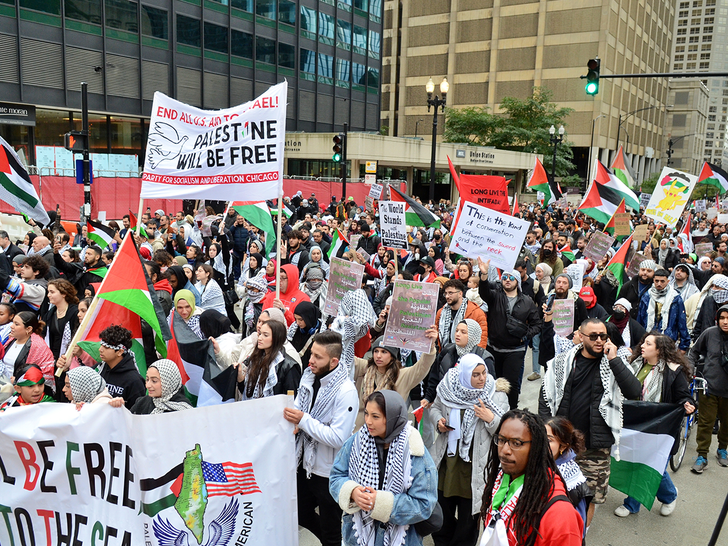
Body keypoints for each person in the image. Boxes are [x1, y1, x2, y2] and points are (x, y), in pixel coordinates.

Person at [539, 318, 641, 527]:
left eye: (603, 336)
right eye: (593, 336)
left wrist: (614, 360)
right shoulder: (563, 362)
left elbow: (634, 391)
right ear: (581, 336)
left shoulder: (615, 361)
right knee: (555, 492)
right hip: (563, 443)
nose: (599, 341)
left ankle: (579, 536)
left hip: (595, 447)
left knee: (588, 497)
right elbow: (546, 396)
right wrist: (546, 430)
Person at [329, 390, 438, 546]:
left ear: (393, 417)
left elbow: (424, 504)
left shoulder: (414, 450)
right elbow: (336, 477)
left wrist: (380, 503)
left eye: (376, 416)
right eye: (366, 414)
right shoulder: (356, 442)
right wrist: (352, 492)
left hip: (402, 540)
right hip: (357, 538)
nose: (368, 421)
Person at [283, 330, 359, 546]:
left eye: (318, 357)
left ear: (333, 361)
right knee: (300, 513)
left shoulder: (346, 391)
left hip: (328, 472)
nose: (311, 360)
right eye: (312, 354)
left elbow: (338, 437)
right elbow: (299, 408)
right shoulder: (309, 377)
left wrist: (303, 420)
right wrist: (295, 421)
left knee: (331, 531)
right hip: (304, 464)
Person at [430, 354, 510, 546]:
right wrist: (439, 422)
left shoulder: (496, 395)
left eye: (484, 373)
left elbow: (508, 431)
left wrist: (490, 418)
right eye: (475, 375)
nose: (482, 378)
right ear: (464, 375)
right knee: (442, 509)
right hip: (447, 462)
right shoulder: (449, 388)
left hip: (475, 466)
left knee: (469, 517)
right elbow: (434, 408)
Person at [613, 332, 693, 516]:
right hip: (635, 425)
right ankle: (648, 500)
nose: (642, 346)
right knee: (637, 463)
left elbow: (683, 395)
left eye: (648, 344)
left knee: (651, 467)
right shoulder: (634, 364)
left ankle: (665, 497)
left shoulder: (673, 371)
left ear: (659, 350)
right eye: (643, 342)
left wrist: (688, 404)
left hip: (660, 429)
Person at [480, 409, 584, 546]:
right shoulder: (498, 483)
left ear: (536, 447)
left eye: (516, 443)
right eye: (501, 440)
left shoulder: (559, 514)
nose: (505, 450)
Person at [477, 258, 541, 409]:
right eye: (504, 277)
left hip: (514, 351)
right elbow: (483, 291)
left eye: (511, 278)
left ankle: (512, 412)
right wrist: (484, 274)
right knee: (493, 384)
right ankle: (494, 411)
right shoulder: (495, 296)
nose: (507, 280)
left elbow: (537, 324)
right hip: (494, 349)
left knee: (511, 386)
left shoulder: (527, 301)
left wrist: (525, 337)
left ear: (517, 281)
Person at [352, 329, 437, 429]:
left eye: (384, 352)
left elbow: (423, 366)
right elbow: (347, 357)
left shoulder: (402, 375)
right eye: (376, 351)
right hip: (361, 430)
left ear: (392, 356)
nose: (378, 356)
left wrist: (430, 346)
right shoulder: (364, 368)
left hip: (389, 431)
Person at [689, 304, 728, 473]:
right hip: (709, 387)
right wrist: (690, 369)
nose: (725, 322)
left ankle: (722, 449)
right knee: (705, 423)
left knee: (726, 424)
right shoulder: (710, 333)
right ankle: (702, 455)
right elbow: (693, 352)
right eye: (722, 318)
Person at [423, 319, 495, 408]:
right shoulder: (448, 351)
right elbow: (435, 376)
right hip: (445, 404)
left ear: (473, 336)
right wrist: (428, 398)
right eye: (456, 330)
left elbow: (489, 387)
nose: (457, 334)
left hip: (472, 407)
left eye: (463, 332)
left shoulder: (484, 358)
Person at [544, 416, 592, 528]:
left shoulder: (572, 483)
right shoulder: (531, 464)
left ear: (563, 446)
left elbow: (575, 525)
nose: (542, 443)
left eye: (549, 440)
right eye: (539, 438)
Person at [236, 319, 301, 399]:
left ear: (277, 337)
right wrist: (240, 379)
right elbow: (247, 392)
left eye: (265, 335)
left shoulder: (288, 365)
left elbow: (291, 400)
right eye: (259, 334)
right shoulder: (255, 358)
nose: (260, 338)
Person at [110, 359, 193, 414]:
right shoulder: (142, 403)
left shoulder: (184, 411)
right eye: (147, 379)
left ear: (169, 382)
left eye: (154, 381)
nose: (148, 385)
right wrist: (120, 408)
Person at [637, 268, 690, 351]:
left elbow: (681, 322)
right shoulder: (646, 297)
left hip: (668, 341)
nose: (659, 284)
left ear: (668, 281)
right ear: (653, 280)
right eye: (656, 281)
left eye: (662, 281)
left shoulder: (675, 298)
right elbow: (640, 320)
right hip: (648, 339)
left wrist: (684, 346)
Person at [95, 325, 145, 410]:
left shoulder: (134, 380)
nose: (100, 349)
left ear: (120, 352)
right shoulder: (97, 369)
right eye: (101, 345)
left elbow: (137, 413)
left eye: (106, 347)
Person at [2, 311, 55, 388]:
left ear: (29, 329)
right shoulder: (10, 340)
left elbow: (44, 376)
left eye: (16, 324)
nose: (11, 326)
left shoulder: (39, 347)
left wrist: (18, 381)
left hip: (22, 390)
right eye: (13, 323)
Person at [436, 279, 488, 348]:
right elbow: (437, 335)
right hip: (444, 354)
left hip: (467, 355)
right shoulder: (441, 312)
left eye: (450, 293)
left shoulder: (476, 313)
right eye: (445, 293)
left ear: (460, 293)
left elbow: (482, 339)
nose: (447, 296)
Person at [288, 301, 322, 366]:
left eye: (300, 319)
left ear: (309, 317)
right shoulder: (294, 329)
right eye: (296, 319)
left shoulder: (321, 333)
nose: (297, 322)